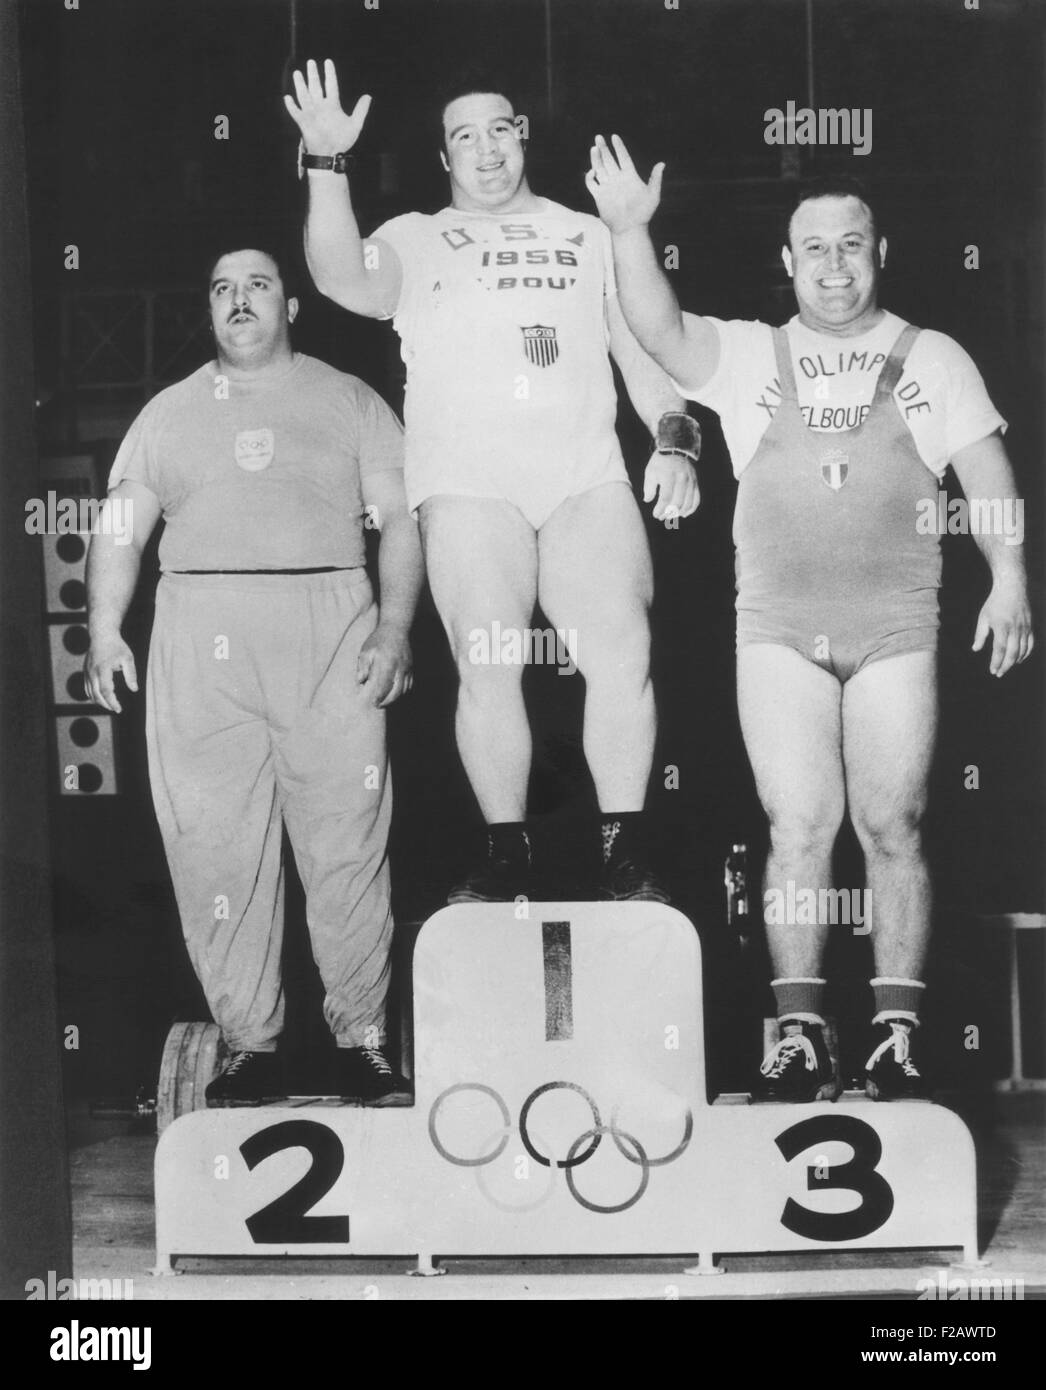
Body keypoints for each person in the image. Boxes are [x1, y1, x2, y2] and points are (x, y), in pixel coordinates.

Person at [585, 137, 1034, 1100]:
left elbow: (988, 474)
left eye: (852, 245)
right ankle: (798, 1033)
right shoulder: (752, 353)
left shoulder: (932, 357)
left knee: (893, 823)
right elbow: (659, 335)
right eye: (815, 249)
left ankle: (897, 1033)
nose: (835, 265)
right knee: (797, 828)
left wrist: (1008, 576)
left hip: (895, 629)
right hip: (779, 630)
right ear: (787, 263)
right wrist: (630, 231)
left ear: (881, 254)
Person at [284, 61, 701, 904]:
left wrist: (677, 440)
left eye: (499, 130)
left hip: (584, 478)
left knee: (623, 652)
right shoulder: (415, 235)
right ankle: (507, 853)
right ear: (444, 159)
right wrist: (328, 167)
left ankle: (624, 854)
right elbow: (337, 276)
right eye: (463, 137)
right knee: (489, 661)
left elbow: (648, 347)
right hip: (472, 486)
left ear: (522, 137)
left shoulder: (587, 233)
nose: (485, 150)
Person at [84, 245, 424, 1106]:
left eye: (259, 285)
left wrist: (394, 626)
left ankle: (364, 1040)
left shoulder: (350, 400)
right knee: (215, 850)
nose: (240, 301)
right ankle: (250, 1044)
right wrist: (101, 629)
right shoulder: (167, 413)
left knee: (346, 841)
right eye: (222, 288)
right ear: (208, 310)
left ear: (292, 306)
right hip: (201, 636)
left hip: (330, 627)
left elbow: (401, 524)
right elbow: (121, 530)